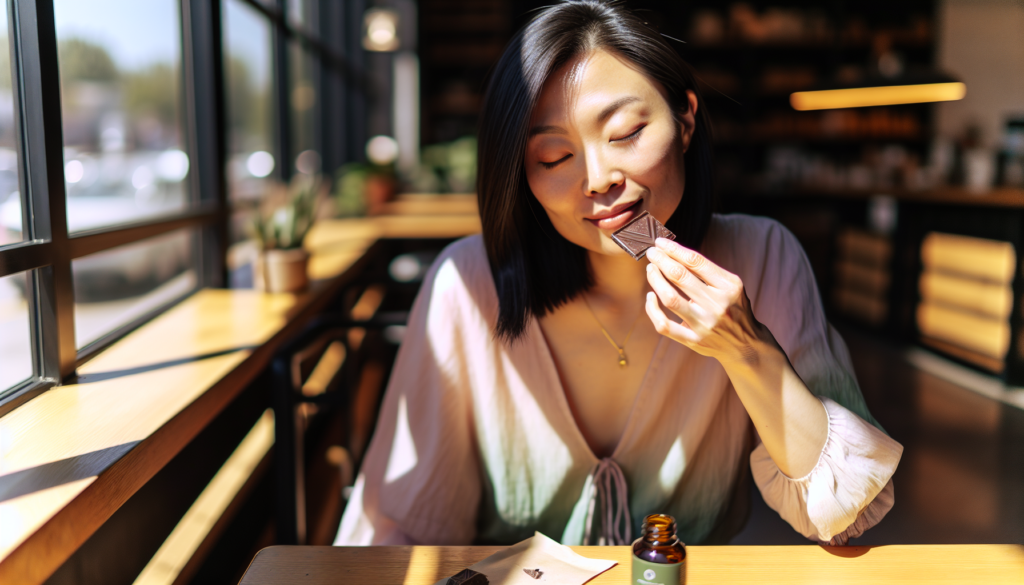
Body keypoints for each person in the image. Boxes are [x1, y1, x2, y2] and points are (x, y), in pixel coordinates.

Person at [335, 0, 902, 547]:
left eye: (626, 133)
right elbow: (402, 525)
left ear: (684, 119)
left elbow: (848, 513)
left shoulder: (763, 256)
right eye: (555, 158)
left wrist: (747, 351)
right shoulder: (467, 284)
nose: (598, 178)